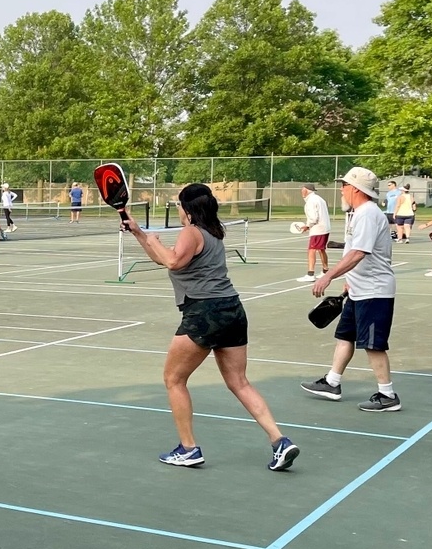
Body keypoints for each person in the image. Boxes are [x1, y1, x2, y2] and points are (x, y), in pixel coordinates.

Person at [124, 183, 300, 470]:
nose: (178, 210)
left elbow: (170, 259)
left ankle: (189, 448)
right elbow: (168, 261)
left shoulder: (190, 232)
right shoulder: (214, 232)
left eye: (179, 205)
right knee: (239, 382)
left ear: (188, 209)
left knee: (173, 380)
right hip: (232, 309)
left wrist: (154, 238)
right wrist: (139, 233)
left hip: (204, 312)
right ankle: (279, 440)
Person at [301, 167, 399, 411]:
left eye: (344, 185)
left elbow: (359, 253)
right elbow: (357, 253)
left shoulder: (367, 214)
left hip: (375, 292)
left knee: (373, 344)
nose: (341, 190)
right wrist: (350, 279)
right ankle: (332, 383)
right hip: (359, 289)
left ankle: (387, 395)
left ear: (355, 188)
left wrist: (328, 276)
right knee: (345, 336)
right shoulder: (360, 213)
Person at [295, 183, 331, 282]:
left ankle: (310, 274)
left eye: (302, 189)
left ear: (306, 190)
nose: (301, 191)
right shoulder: (319, 199)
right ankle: (325, 271)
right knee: (321, 249)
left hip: (318, 229)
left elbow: (314, 218)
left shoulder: (311, 201)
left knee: (312, 250)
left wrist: (307, 225)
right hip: (324, 228)